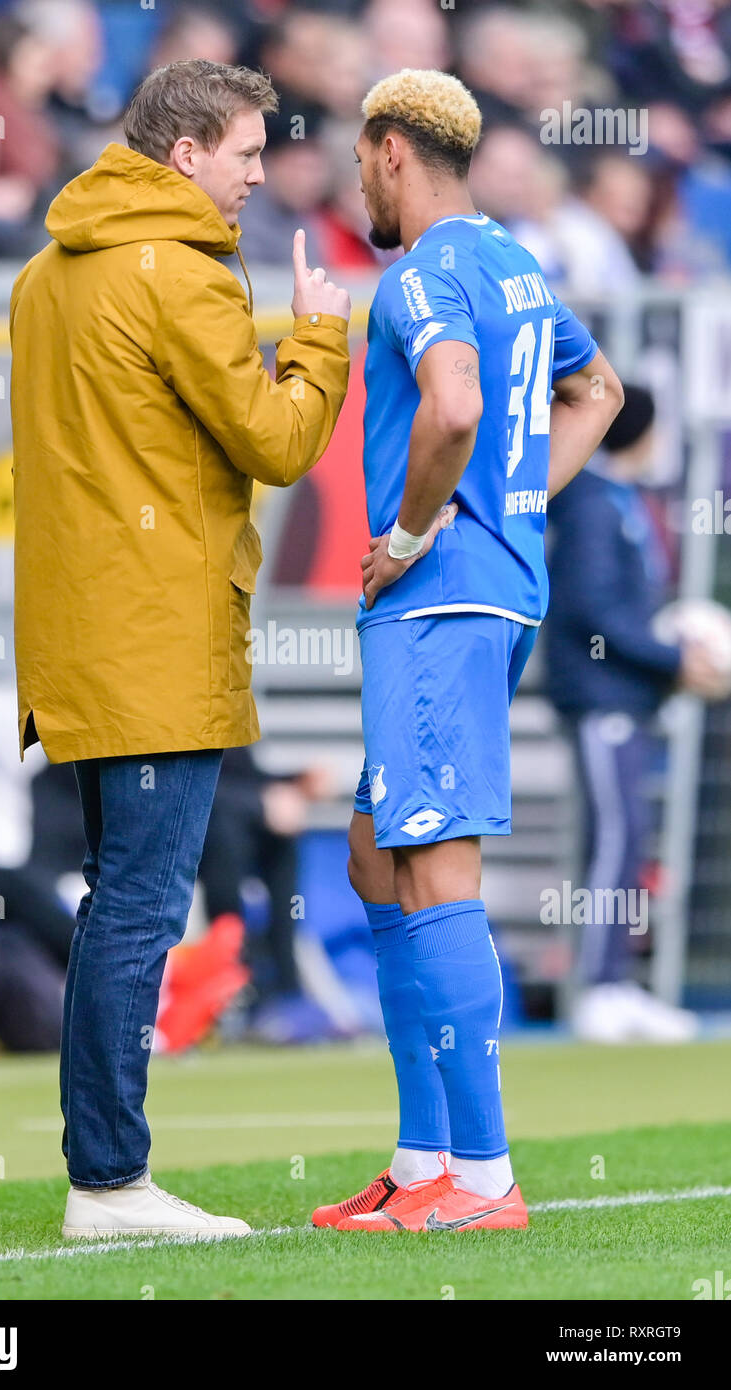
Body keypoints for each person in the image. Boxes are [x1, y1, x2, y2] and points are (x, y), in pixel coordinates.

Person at [10, 58, 351, 1240]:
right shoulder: (183, 273)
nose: (261, 174)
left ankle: (103, 1169)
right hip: (156, 636)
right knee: (141, 909)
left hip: (81, 630)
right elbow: (275, 443)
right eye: (248, 152)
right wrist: (317, 338)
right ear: (185, 152)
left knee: (120, 902)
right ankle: (108, 1179)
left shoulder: (46, 271)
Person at [314, 68, 624, 1235]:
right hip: (485, 594)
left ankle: (485, 1182)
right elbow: (599, 389)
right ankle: (420, 1158)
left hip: (437, 602)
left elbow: (448, 407)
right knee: (373, 855)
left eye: (358, 158)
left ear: (391, 148)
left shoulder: (422, 273)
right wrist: (514, 503)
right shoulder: (517, 265)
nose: (357, 179)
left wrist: (409, 532)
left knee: (434, 865)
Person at [544, 384, 725, 1041]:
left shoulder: (618, 499)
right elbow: (594, 611)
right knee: (614, 840)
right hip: (600, 700)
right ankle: (598, 988)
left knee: (624, 841)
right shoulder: (593, 504)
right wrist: (672, 657)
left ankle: (616, 982)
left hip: (623, 697)